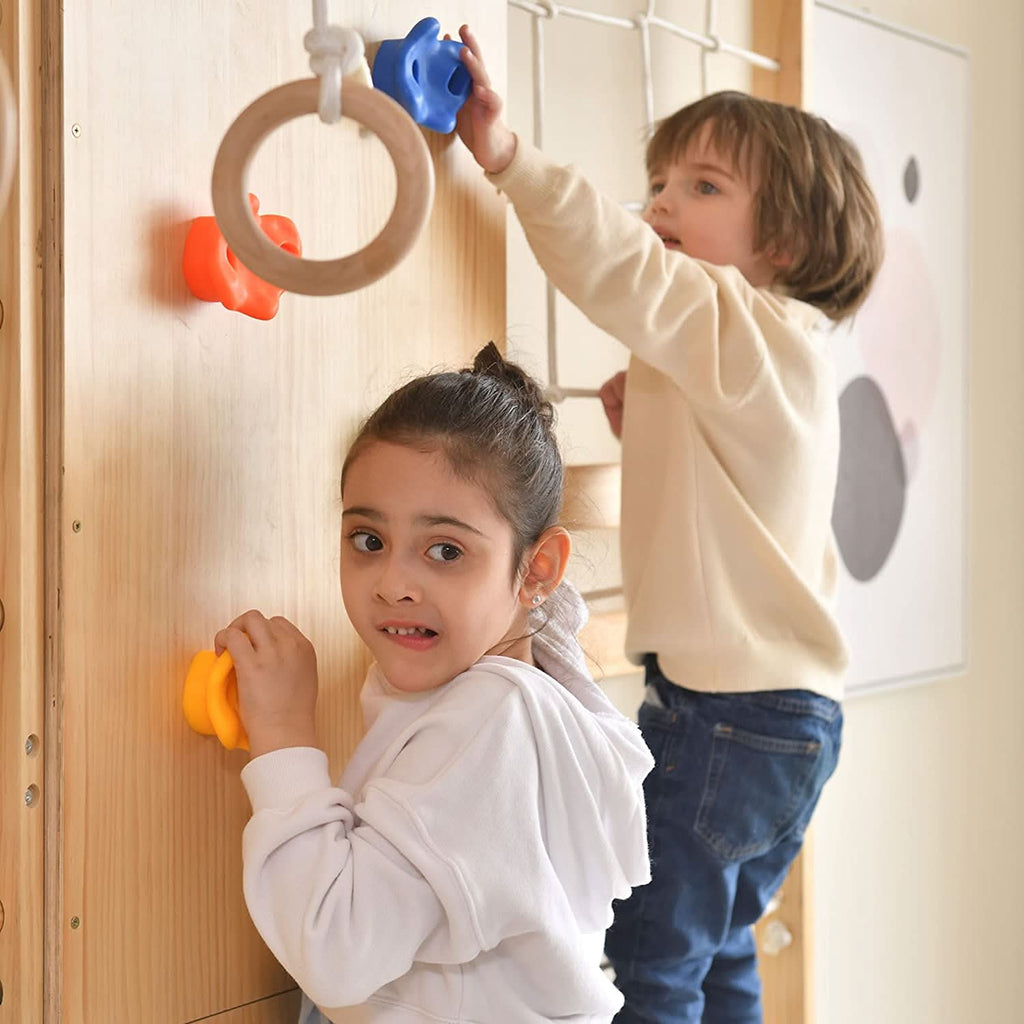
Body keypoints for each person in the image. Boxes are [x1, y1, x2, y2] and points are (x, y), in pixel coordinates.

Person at [453, 26, 884, 1024]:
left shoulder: (738, 321)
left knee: (648, 968)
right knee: (718, 952)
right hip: (788, 719)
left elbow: (622, 271)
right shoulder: (781, 354)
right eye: (658, 181)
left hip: (724, 720)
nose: (657, 204)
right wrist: (650, 405)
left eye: (701, 187)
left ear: (780, 243)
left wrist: (506, 154)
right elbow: (733, 473)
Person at [213, 343, 655, 1023]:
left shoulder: (487, 721)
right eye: (367, 540)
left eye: (445, 551)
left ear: (537, 570)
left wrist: (282, 735)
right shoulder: (528, 684)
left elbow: (336, 947)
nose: (393, 584)